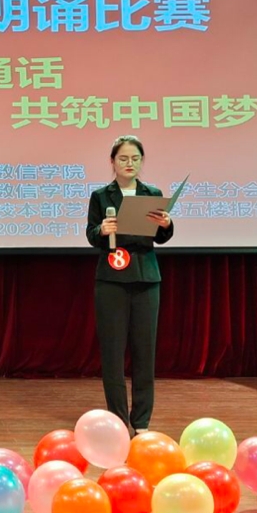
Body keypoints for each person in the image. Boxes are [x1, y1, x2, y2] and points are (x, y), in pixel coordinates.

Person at [87, 135, 175, 436]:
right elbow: (90, 234)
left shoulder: (152, 194)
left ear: (141, 162)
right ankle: (118, 420)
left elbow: (161, 237)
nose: (129, 163)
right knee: (112, 353)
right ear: (112, 162)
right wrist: (102, 230)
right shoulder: (101, 196)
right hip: (111, 278)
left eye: (135, 159)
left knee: (144, 352)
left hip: (146, 276)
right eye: (123, 158)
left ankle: (141, 422)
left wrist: (166, 225)